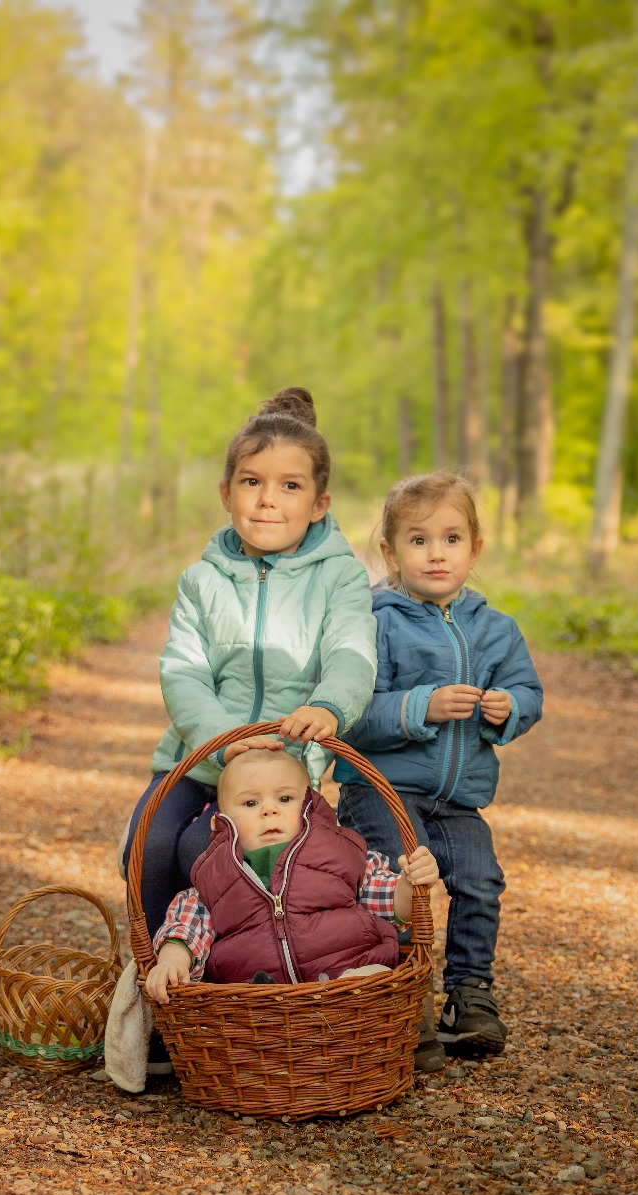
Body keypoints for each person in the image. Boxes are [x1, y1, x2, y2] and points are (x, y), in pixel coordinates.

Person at [123, 388, 378, 1066]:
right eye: (252, 482)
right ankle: (160, 993)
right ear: (226, 492)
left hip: (284, 769)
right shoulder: (203, 580)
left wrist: (328, 705)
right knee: (154, 846)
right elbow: (182, 670)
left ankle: (245, 994)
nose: (268, 499)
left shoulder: (341, 579)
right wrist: (222, 736)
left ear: (319, 503)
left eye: (289, 485)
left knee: (239, 862)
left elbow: (353, 652)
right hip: (200, 759)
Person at [339, 473, 542, 1064]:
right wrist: (416, 707)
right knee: (402, 885)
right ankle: (402, 1004)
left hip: (459, 797)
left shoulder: (496, 629)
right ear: (390, 552)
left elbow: (527, 690)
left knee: (480, 882)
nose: (435, 553)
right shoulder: (376, 622)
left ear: (474, 549)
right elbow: (351, 715)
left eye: (451, 538)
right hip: (382, 790)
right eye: (418, 539)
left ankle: (469, 994)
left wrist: (509, 709)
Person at [142, 742, 439, 1001]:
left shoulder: (343, 855)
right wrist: (173, 960)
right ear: (221, 821)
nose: (269, 810)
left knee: (370, 979)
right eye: (250, 802)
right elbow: (187, 926)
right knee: (235, 996)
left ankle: (358, 1001)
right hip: (258, 1001)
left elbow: (390, 903)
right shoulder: (214, 877)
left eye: (285, 798)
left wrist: (408, 885)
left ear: (310, 804)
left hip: (346, 982)